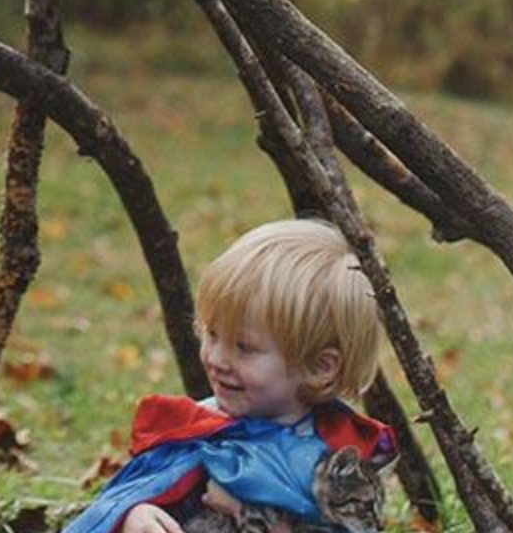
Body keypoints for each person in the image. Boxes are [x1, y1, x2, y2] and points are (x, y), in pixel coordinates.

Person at [62, 219, 397, 533]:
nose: (217, 358)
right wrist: (135, 515)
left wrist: (245, 512)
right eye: (211, 334)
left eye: (245, 347)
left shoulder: (334, 460)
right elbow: (132, 493)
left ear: (320, 367)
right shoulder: (199, 427)